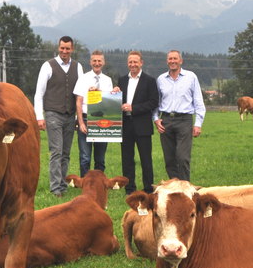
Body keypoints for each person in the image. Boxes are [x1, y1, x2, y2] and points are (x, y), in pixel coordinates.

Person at [34, 36, 85, 197]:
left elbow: (81, 94)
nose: (64, 51)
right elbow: (39, 93)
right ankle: (56, 187)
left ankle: (62, 184)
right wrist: (39, 117)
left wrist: (79, 117)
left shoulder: (78, 67)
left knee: (66, 152)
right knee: (56, 151)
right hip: (53, 113)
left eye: (67, 48)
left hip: (70, 116)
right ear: (58, 48)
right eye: (62, 48)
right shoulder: (48, 66)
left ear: (72, 49)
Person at [154, 50, 206, 182]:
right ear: (167, 61)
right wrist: (156, 119)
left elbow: (198, 101)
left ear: (180, 61)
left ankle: (185, 188)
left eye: (175, 59)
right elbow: (156, 102)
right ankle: (175, 188)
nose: (172, 61)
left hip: (184, 120)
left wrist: (198, 124)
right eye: (170, 59)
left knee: (182, 158)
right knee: (169, 159)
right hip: (166, 120)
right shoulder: (161, 79)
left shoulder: (191, 77)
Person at [117, 51, 159, 194]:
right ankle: (129, 189)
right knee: (127, 159)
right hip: (125, 124)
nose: (133, 64)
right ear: (127, 63)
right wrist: (114, 94)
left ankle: (148, 189)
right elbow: (117, 101)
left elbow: (153, 102)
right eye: (130, 62)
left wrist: (133, 108)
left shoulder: (150, 80)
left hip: (143, 125)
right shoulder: (121, 80)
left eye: (135, 62)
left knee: (146, 159)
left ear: (141, 63)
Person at [73, 50, 114, 177]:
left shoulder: (108, 80)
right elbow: (78, 102)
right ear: (90, 62)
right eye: (94, 61)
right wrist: (80, 123)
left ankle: (99, 184)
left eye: (99, 61)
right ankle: (86, 184)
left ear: (103, 62)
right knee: (85, 157)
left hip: (102, 122)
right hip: (85, 120)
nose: (97, 63)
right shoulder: (83, 79)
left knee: (100, 158)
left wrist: (114, 92)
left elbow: (110, 103)